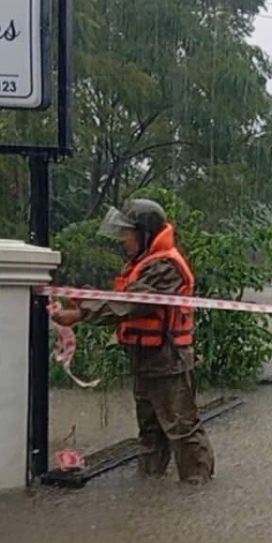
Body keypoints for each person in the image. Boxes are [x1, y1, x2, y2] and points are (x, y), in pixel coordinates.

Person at [51, 198, 215, 485]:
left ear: (145, 234)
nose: (123, 240)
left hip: (168, 360)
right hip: (144, 358)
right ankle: (150, 486)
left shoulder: (166, 267)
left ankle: (195, 489)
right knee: (150, 431)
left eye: (128, 233)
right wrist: (82, 298)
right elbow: (121, 299)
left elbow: (129, 305)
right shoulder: (143, 263)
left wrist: (79, 313)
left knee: (181, 428)